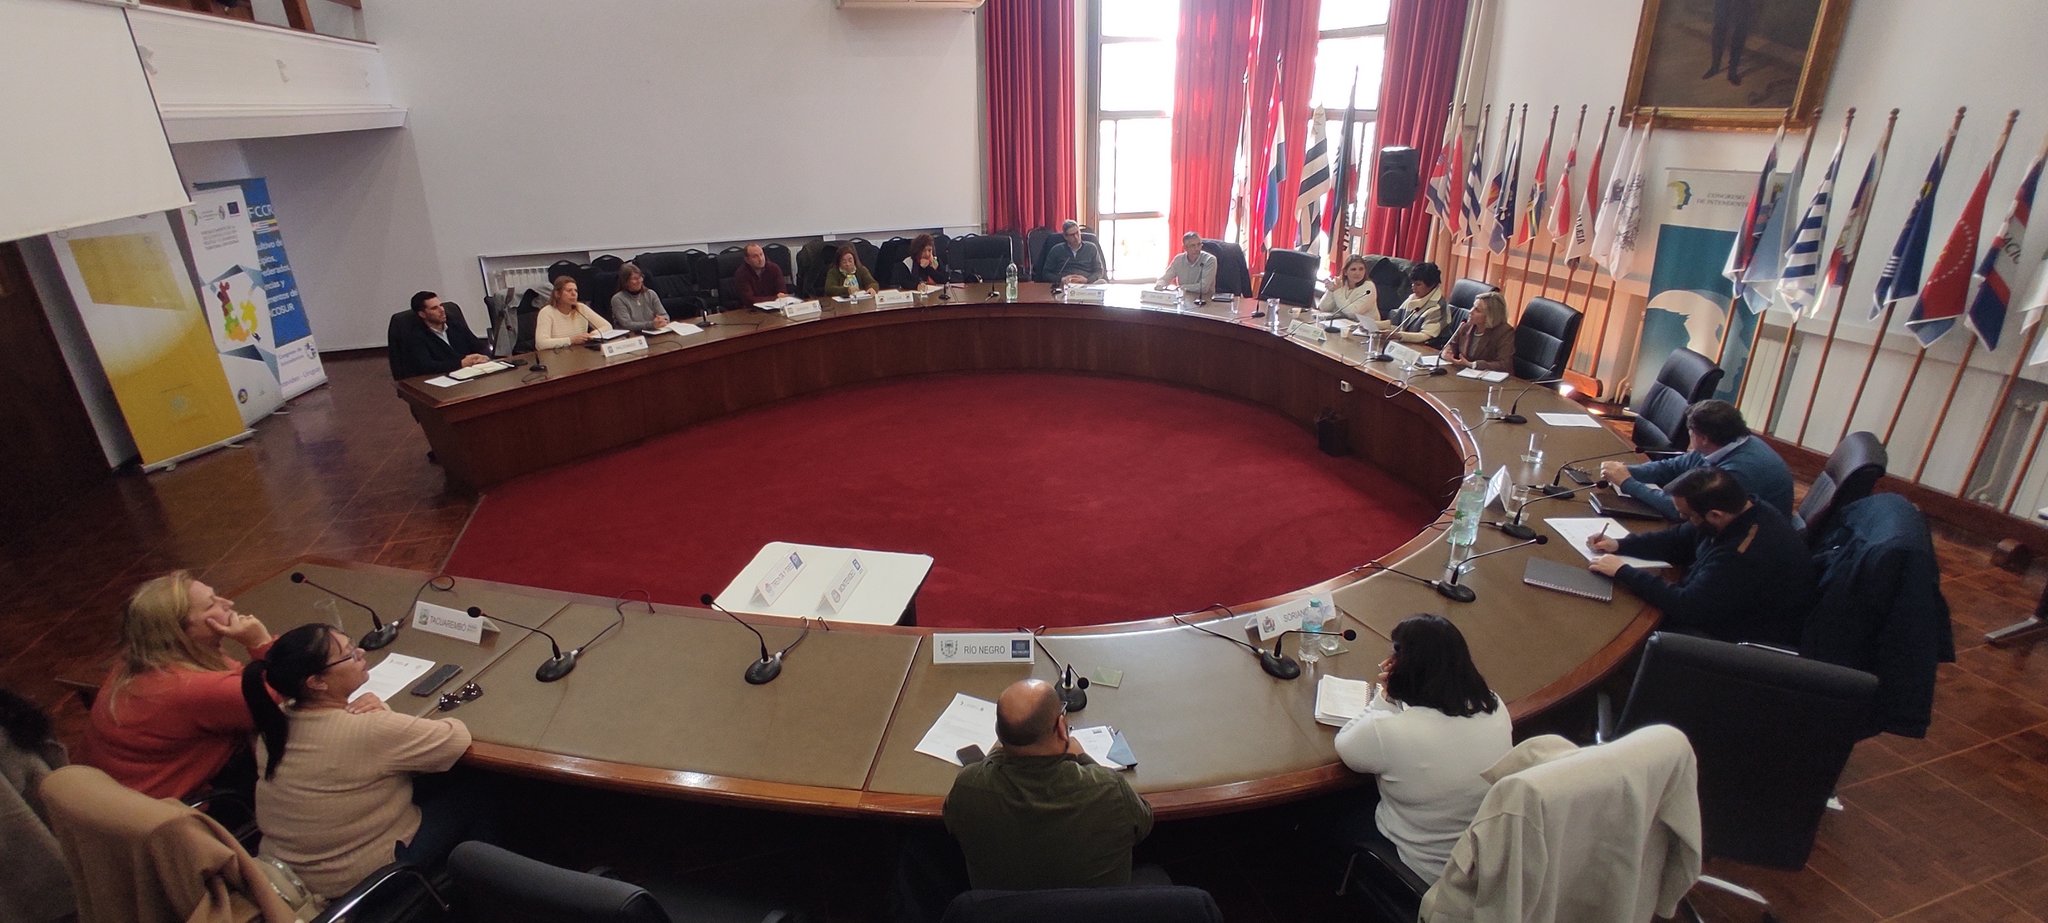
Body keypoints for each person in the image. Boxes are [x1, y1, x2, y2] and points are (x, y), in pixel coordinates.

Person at [243, 624, 478, 900]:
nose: (361, 653)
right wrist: (382, 712)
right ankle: (482, 897)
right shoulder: (367, 729)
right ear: (316, 682)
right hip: (357, 880)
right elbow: (455, 738)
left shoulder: (276, 721)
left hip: (288, 875)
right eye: (349, 654)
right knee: (484, 790)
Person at [1333, 615, 1513, 882]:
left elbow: (1345, 743)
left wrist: (1386, 696)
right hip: (1483, 861)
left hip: (1425, 871)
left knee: (1327, 814)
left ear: (1406, 669)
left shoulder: (1390, 732)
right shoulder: (1494, 705)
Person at [943, 678, 1153, 890]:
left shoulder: (968, 788)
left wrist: (997, 753)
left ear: (999, 734)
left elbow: (952, 824)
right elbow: (1144, 824)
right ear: (1062, 728)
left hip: (1003, 907)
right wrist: (1082, 758)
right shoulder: (1110, 789)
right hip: (1093, 907)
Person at [81, 572, 273, 800]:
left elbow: (232, 674)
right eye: (211, 604)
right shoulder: (194, 687)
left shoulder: (141, 659)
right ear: (181, 632)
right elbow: (287, 695)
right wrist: (260, 643)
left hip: (121, 801)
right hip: (183, 810)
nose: (228, 603)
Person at [1588, 468, 1815, 647]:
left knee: (1618, 623)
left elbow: (1687, 606)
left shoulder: (1743, 553)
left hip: (1734, 640)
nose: (1683, 519)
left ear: (1715, 515)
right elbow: (1679, 539)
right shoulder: (1741, 508)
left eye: (1687, 515)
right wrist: (1621, 544)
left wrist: (1623, 571)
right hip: (1714, 607)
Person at [1599, 399, 1795, 521]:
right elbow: (1672, 467)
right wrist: (1627, 471)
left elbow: (1683, 511)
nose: (1689, 437)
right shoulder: (1725, 442)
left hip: (1752, 544)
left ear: (1704, 438)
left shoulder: (1737, 472)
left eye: (1691, 432)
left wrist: (1628, 483)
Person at [390, 291, 490, 379]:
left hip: (468, 374)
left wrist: (484, 356)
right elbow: (426, 366)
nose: (442, 310)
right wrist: (461, 363)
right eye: (434, 308)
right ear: (422, 314)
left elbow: (478, 345)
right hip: (440, 380)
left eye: (441, 305)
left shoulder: (454, 324)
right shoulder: (414, 335)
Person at [1441, 291, 1517, 374]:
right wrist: (1447, 353)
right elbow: (1453, 345)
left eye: (1477, 310)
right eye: (1473, 306)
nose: (1470, 311)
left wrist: (1473, 365)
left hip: (1488, 377)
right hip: (1464, 374)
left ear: (1490, 316)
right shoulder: (1467, 326)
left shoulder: (1504, 332)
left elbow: (1504, 365)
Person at [533, 276, 612, 349]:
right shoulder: (546, 312)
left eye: (576, 291)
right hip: (556, 355)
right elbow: (541, 343)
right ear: (557, 294)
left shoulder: (581, 308)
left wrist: (591, 335)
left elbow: (607, 326)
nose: (574, 294)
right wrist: (571, 340)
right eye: (569, 290)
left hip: (579, 352)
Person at [1381, 262, 1446, 343]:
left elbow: (1426, 336)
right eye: (1412, 283)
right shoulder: (1412, 298)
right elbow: (1395, 323)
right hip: (1408, 345)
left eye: (1418, 284)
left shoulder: (1438, 307)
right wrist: (1374, 326)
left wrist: (1399, 335)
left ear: (1432, 285)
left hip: (1428, 347)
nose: (1413, 287)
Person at [608, 262, 669, 333]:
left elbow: (664, 315)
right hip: (631, 335)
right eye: (635, 279)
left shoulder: (651, 294)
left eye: (640, 277)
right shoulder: (618, 299)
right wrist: (651, 325)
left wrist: (662, 320)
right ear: (625, 282)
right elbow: (627, 324)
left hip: (654, 332)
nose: (639, 281)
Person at [1038, 220, 1105, 285]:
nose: (1076, 237)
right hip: (1065, 284)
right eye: (1072, 235)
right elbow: (1046, 273)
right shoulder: (1056, 250)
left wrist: (1087, 280)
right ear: (1065, 237)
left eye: (1077, 233)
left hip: (1086, 284)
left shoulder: (1091, 248)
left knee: (1102, 282)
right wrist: (1061, 279)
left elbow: (1099, 271)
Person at [1317, 254, 1379, 324]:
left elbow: (1352, 313)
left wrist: (1336, 291)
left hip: (1365, 327)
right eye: (1353, 269)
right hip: (1342, 323)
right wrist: (1331, 290)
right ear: (1345, 272)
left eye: (1361, 269)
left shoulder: (1369, 288)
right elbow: (1323, 307)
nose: (1358, 273)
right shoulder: (1339, 283)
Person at [1155, 231, 1217, 297]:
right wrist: (1160, 285)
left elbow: (1204, 287)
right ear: (1185, 248)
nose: (1197, 248)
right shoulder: (1178, 259)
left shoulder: (1210, 260)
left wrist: (1181, 287)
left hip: (1204, 299)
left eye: (1199, 244)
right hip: (1183, 298)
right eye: (1193, 246)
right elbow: (1165, 278)